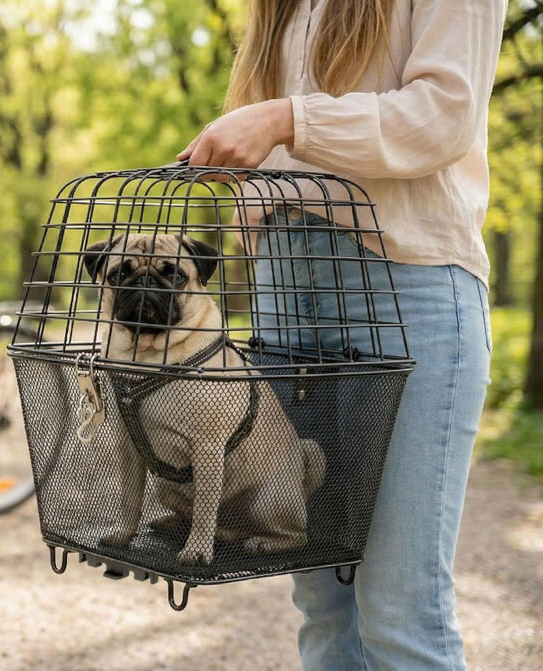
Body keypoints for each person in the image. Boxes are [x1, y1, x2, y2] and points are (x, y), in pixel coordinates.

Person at [177, 1, 506, 668]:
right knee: (324, 606)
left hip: (402, 291)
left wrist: (287, 119)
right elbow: (304, 158)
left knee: (399, 611)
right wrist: (262, 190)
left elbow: (444, 116)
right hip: (284, 299)